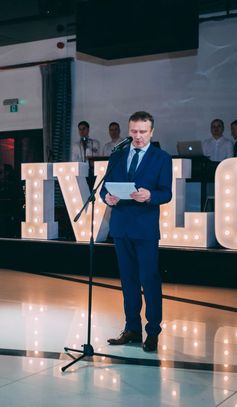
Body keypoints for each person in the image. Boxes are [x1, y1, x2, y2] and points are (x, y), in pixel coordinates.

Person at [100, 111, 172, 352]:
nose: (138, 136)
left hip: (145, 229)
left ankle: (153, 332)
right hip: (121, 228)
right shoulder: (118, 155)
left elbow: (166, 193)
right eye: (134, 131)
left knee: (149, 280)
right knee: (128, 281)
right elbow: (104, 188)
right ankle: (132, 329)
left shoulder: (162, 158)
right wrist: (107, 197)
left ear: (152, 132)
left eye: (142, 131)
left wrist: (150, 195)